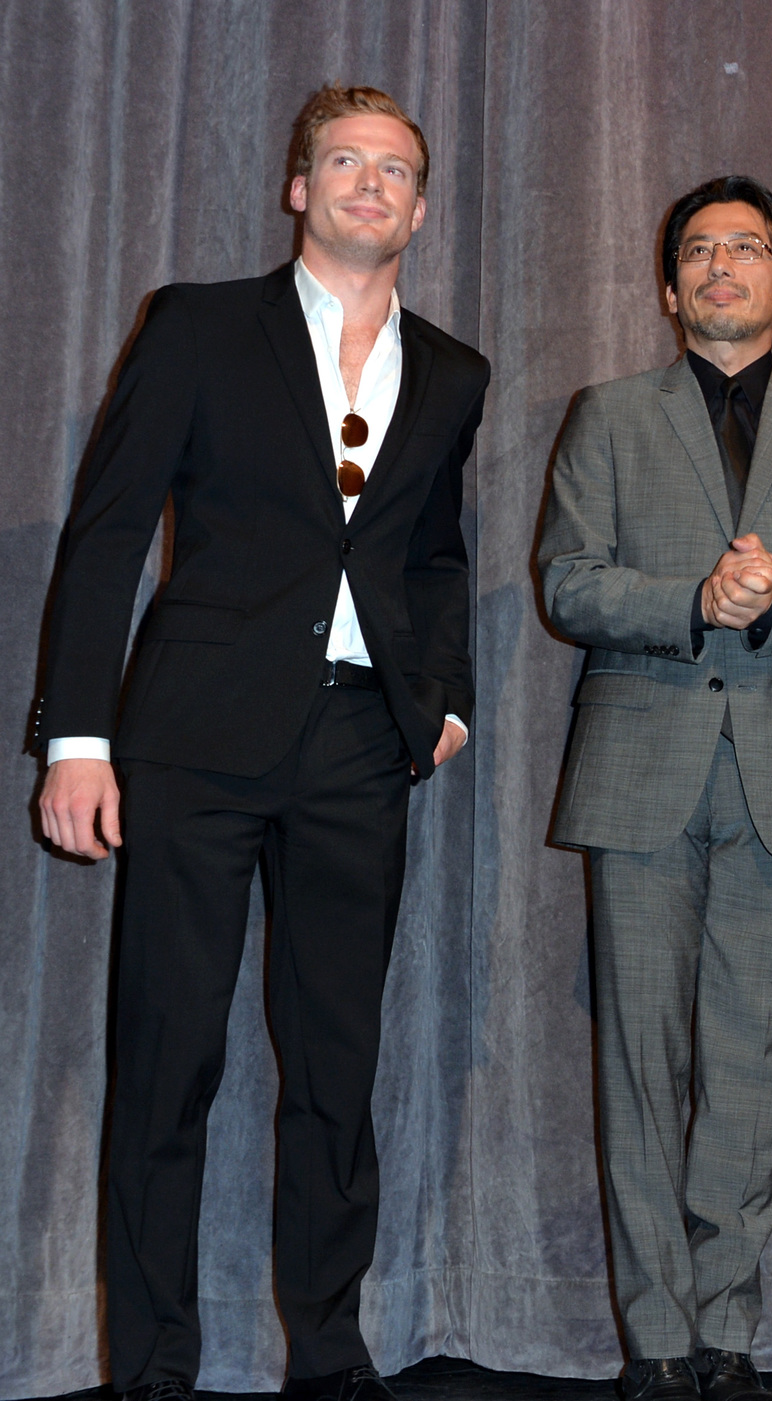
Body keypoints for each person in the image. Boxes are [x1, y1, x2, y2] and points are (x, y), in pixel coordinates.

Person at [33, 86, 488, 1401]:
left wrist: (443, 698)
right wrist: (78, 736)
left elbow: (437, 554)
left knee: (336, 1070)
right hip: (193, 742)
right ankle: (153, 1371)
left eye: (395, 167)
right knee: (168, 1062)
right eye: (343, 160)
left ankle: (331, 1359)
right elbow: (110, 530)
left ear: (419, 203)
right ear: (299, 188)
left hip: (359, 746)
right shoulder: (199, 325)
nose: (368, 181)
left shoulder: (453, 371)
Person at [538, 175, 772, 1401]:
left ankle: (726, 1330)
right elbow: (570, 585)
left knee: (756, 1059)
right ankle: (654, 1336)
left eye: (745, 250)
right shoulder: (607, 413)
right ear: (666, 288)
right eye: (696, 251)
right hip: (640, 774)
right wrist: (692, 601)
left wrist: (767, 614)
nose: (719, 266)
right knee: (643, 1059)